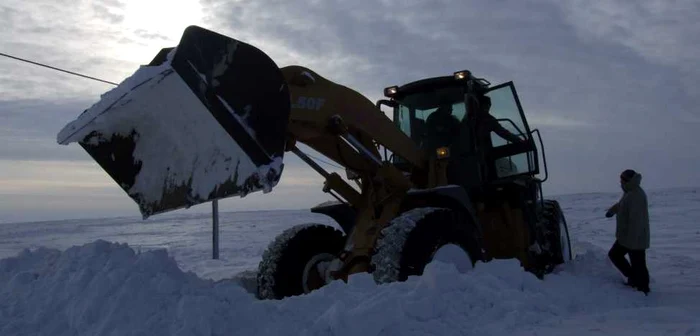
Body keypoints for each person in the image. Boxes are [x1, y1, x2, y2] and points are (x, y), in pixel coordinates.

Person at [605, 169, 651, 295]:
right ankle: (635, 279)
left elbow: (636, 220)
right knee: (616, 255)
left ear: (627, 180)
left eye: (621, 180)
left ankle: (643, 288)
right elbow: (622, 205)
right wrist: (612, 211)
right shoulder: (629, 192)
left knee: (638, 263)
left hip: (635, 237)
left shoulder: (636, 195)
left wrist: (632, 240)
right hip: (627, 236)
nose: (620, 183)